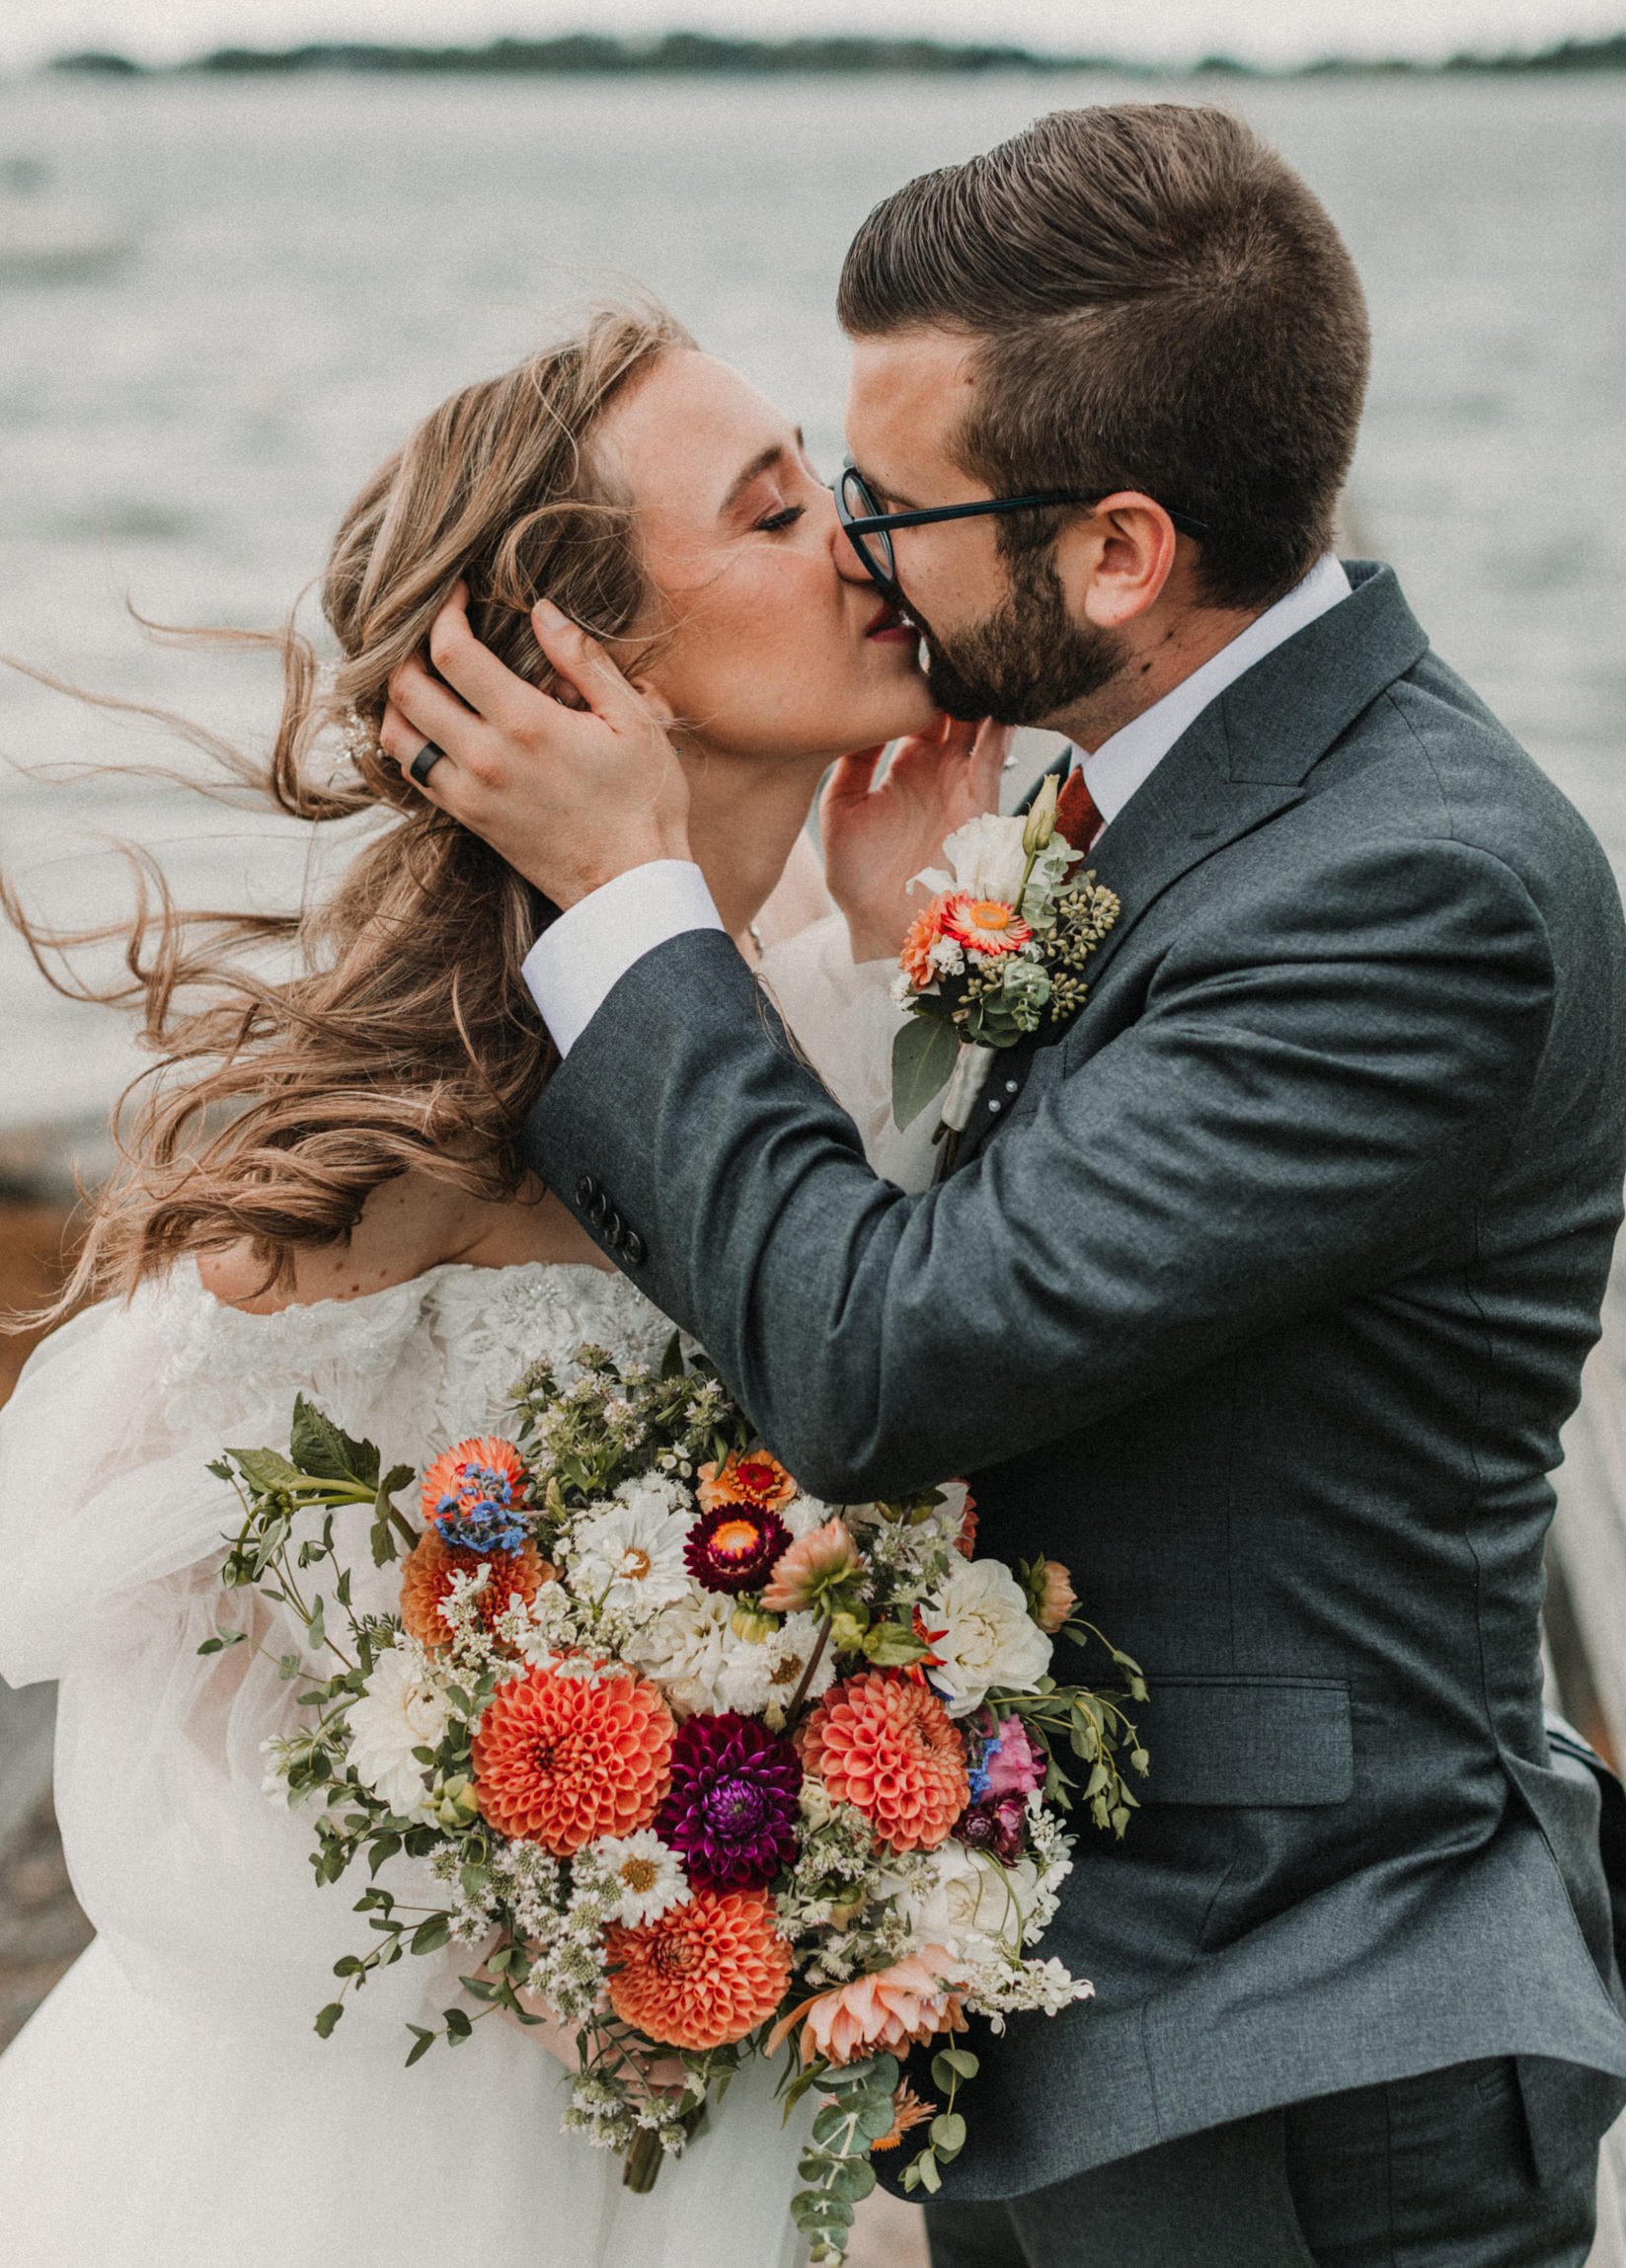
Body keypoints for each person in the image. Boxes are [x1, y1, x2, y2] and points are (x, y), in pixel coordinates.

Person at [380, 104, 1626, 2268]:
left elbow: (888, 1357)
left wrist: (627, 902)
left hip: (1297, 2048)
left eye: (890, 503)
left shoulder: (1405, 885)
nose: (859, 552)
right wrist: (898, 969)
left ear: (1120, 553)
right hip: (1094, 2023)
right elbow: (1075, 1275)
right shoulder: (1195, 804)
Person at [0, 305, 1000, 2268]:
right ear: (583, 669)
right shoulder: (413, 1142)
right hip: (425, 2130)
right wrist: (542, 1852)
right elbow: (127, 1654)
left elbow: (931, 1373)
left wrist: (909, 958)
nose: (860, 535)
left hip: (776, 2074)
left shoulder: (843, 981)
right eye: (776, 507)